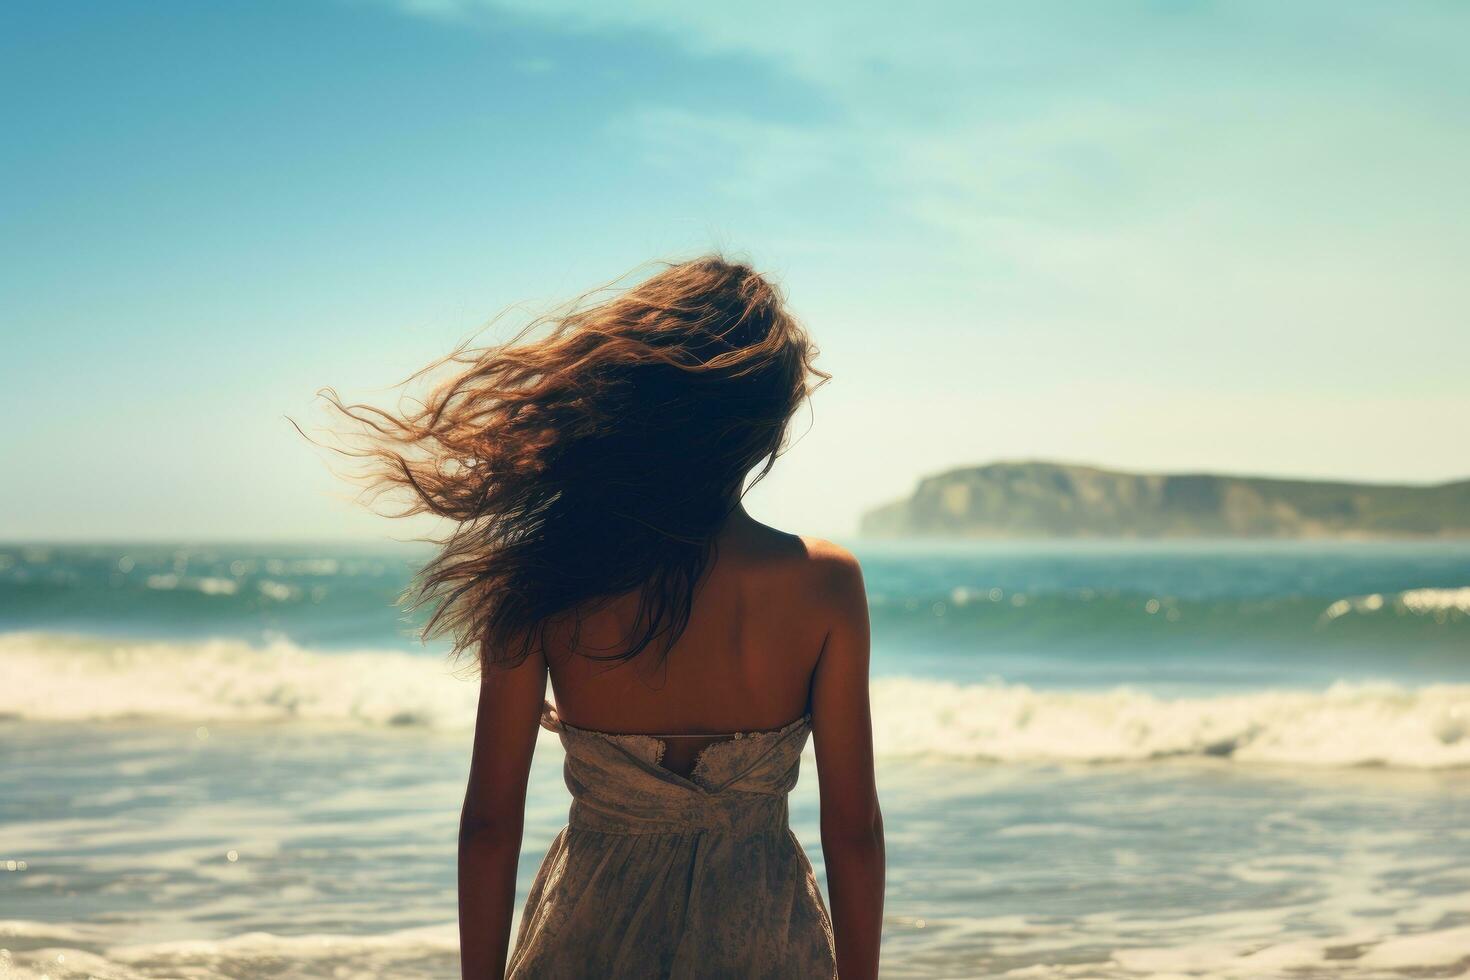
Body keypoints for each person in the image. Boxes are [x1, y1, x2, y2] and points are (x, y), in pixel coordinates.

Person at [328, 257, 884, 978]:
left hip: (590, 933)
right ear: (763, 425)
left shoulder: (547, 582)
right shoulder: (825, 584)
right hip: (763, 939)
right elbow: (853, 831)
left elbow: (490, 827)